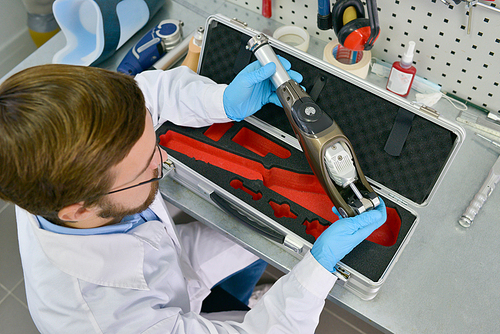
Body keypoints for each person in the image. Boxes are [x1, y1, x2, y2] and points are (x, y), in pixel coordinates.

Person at [0, 59, 386, 333]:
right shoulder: (104, 319)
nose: (163, 158)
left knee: (261, 241)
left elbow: (146, 94)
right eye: (144, 169)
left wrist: (220, 102)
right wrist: (312, 275)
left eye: (152, 141)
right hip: (164, 314)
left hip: (168, 266)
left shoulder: (48, 139)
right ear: (77, 209)